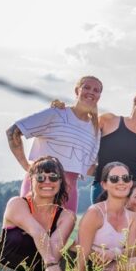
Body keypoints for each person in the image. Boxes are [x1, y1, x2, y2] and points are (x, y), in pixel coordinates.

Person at [6, 75, 101, 214]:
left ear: (99, 96)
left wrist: (127, 172)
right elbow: (13, 132)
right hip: (41, 185)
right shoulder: (56, 114)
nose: (91, 92)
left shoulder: (95, 130)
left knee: (60, 235)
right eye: (86, 87)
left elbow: (88, 168)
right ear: (77, 90)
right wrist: (26, 166)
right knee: (28, 234)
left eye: (96, 90)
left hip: (69, 195)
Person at [75, 162, 136, 271]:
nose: (121, 182)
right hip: (92, 269)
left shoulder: (133, 217)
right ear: (104, 185)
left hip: (114, 268)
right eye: (114, 179)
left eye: (125, 178)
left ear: (130, 183)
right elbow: (82, 253)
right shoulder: (95, 213)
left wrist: (113, 253)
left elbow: (131, 251)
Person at [90, 87, 136, 203]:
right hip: (103, 187)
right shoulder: (108, 120)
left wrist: (130, 182)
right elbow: (83, 134)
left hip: (132, 191)